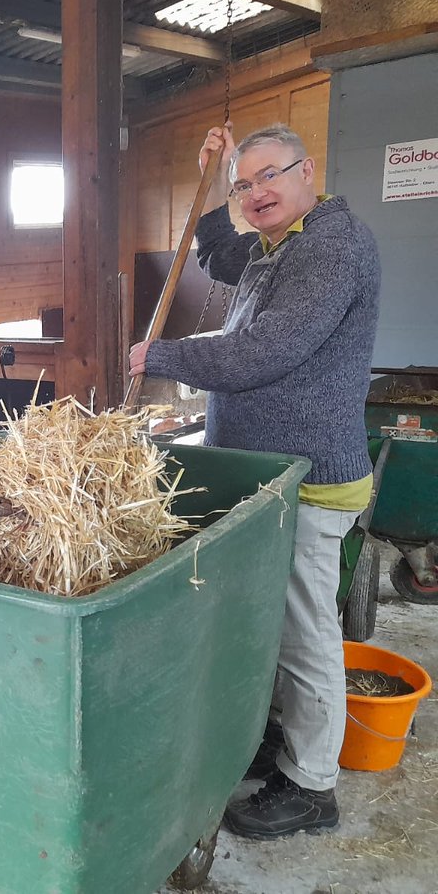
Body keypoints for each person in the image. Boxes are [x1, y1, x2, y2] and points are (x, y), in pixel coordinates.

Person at [129, 123, 379, 840]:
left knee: (304, 635)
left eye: (270, 175)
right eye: (246, 185)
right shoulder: (278, 248)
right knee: (267, 624)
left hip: (307, 478)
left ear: (308, 171)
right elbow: (218, 254)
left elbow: (264, 352)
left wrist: (162, 356)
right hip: (267, 476)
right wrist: (214, 177)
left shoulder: (331, 247)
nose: (256, 193)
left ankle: (313, 784)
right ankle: (282, 735)